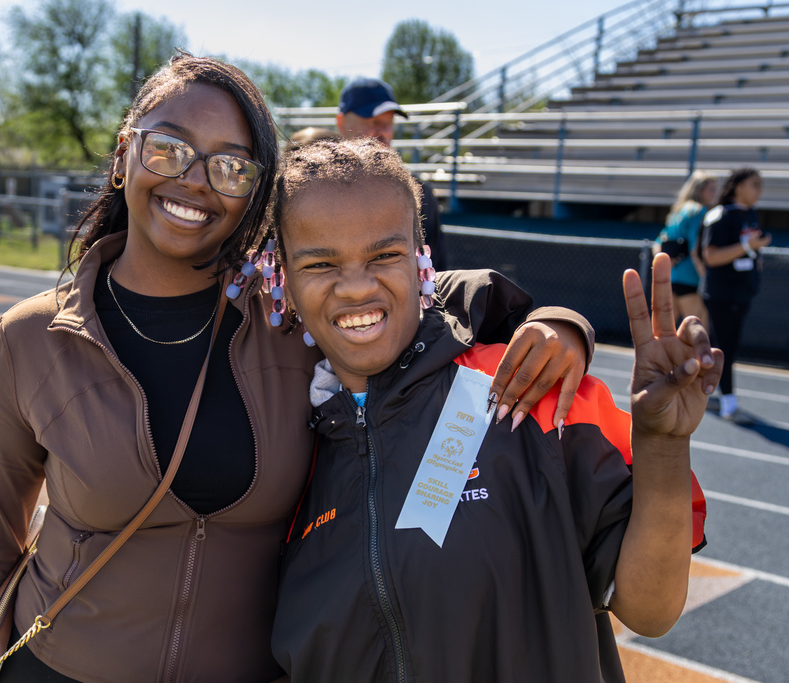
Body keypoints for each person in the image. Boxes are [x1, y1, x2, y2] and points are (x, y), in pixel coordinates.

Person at [0, 55, 596, 683]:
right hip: (61, 667)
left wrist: (562, 323)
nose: (194, 181)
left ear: (253, 191)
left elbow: (409, 292)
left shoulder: (289, 318)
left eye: (230, 164)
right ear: (123, 154)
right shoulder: (31, 340)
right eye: (168, 148)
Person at [268, 138, 720, 682]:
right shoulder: (277, 451)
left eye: (384, 255)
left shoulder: (525, 388)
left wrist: (663, 445)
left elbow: (650, 611)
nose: (357, 286)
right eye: (320, 262)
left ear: (421, 259)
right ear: (285, 278)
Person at [336, 77, 447, 270]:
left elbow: (437, 274)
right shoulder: (318, 192)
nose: (384, 132)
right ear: (342, 123)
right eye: (374, 121)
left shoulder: (419, 194)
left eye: (389, 123)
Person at [700, 167, 771, 424]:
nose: (759, 190)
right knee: (724, 348)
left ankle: (708, 391)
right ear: (737, 186)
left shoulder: (750, 213)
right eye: (754, 184)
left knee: (723, 346)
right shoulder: (719, 215)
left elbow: (749, 249)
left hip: (743, 292)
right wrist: (746, 246)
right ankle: (729, 403)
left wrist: (756, 249)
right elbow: (710, 256)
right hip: (722, 293)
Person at [658, 170, 717, 326]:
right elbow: (695, 249)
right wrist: (706, 279)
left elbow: (658, 243)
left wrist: (668, 262)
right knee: (697, 330)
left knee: (666, 332)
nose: (714, 193)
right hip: (690, 278)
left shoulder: (677, 211)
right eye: (711, 189)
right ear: (699, 190)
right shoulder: (699, 211)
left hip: (670, 277)